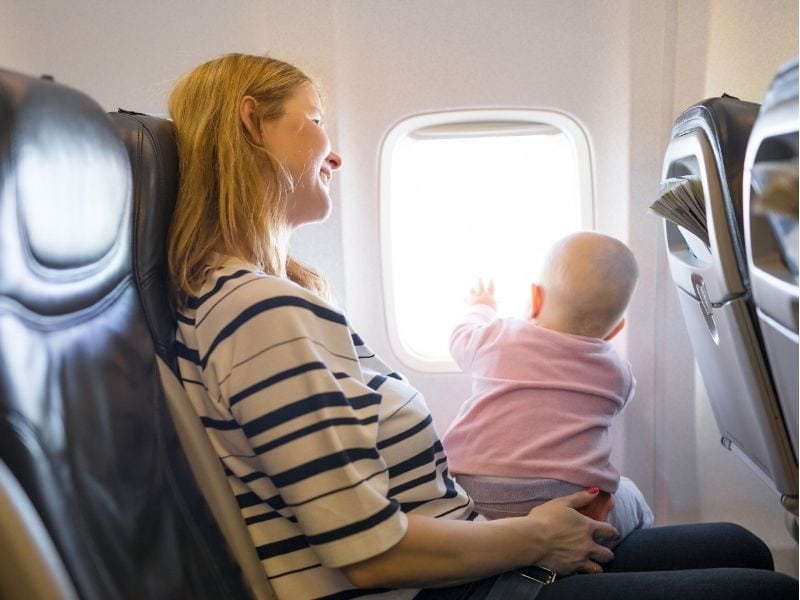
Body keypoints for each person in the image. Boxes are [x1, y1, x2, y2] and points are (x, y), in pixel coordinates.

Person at [166, 53, 797, 600]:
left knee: (741, 544)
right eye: (315, 120)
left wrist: (518, 534)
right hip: (432, 595)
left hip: (462, 561)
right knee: (766, 594)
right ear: (252, 123)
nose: (333, 152)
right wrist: (534, 535)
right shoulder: (261, 312)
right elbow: (366, 555)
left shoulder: (263, 301)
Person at [443, 233, 653, 546]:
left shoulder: (498, 337)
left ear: (535, 298)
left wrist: (482, 307)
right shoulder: (618, 373)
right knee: (632, 495)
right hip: (572, 507)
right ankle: (635, 556)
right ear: (616, 329)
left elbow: (459, 337)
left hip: (473, 497)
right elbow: (619, 401)